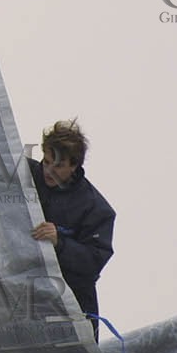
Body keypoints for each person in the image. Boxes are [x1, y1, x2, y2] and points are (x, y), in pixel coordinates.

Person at [29, 119, 115, 339]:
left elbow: (95, 260)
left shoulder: (95, 208)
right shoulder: (23, 176)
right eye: (46, 161)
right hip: (20, 295)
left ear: (74, 165)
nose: (48, 170)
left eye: (57, 165)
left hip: (70, 305)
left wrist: (60, 242)